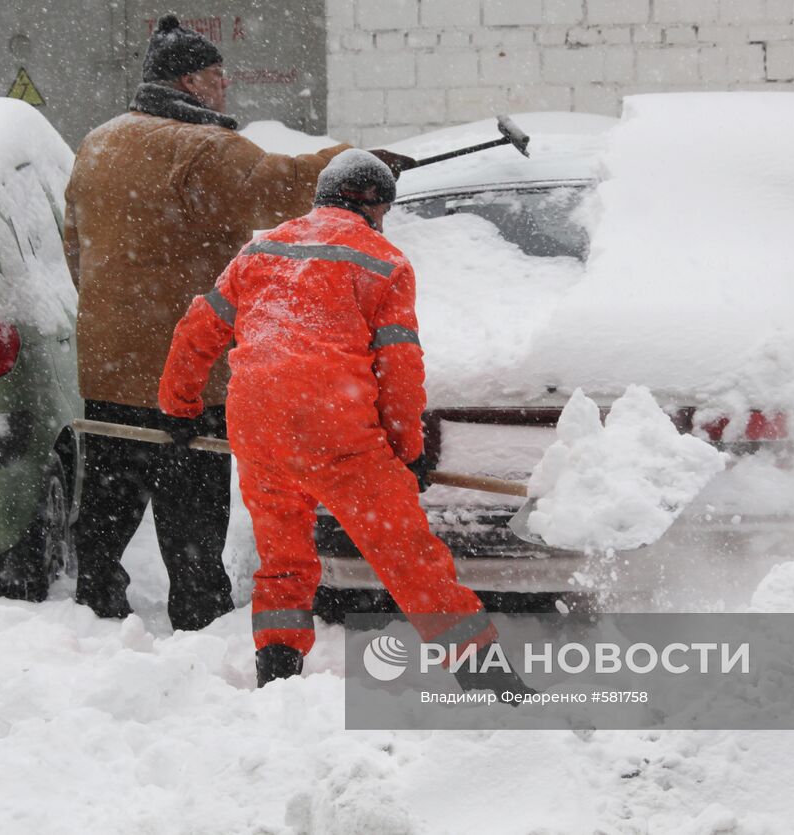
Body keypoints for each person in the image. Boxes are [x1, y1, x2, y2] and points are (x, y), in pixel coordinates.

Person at [159, 150, 532, 695]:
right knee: (411, 561)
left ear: (321, 197)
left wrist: (179, 408)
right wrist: (407, 450)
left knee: (282, 560)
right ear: (379, 209)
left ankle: (278, 674)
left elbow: (197, 330)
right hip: (335, 429)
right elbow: (400, 369)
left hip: (258, 426)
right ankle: (491, 682)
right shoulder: (384, 262)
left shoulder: (260, 249)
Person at [63, 14, 358, 630]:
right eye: (219, 77)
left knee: (111, 493)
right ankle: (199, 614)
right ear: (192, 81)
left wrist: (116, 313)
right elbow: (277, 187)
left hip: (110, 364)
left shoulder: (100, 141)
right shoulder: (200, 146)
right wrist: (348, 167)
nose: (226, 89)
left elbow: (74, 247)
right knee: (191, 498)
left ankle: (95, 603)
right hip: (185, 366)